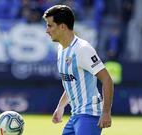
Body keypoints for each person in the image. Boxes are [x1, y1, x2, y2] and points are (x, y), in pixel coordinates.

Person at [43, 5, 114, 135]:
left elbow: (107, 79)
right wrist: (61, 106)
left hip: (89, 115)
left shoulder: (82, 49)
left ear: (62, 26)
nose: (47, 30)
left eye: (50, 25)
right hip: (76, 115)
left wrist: (106, 112)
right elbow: (73, 83)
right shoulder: (61, 50)